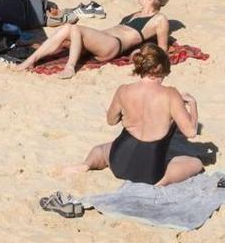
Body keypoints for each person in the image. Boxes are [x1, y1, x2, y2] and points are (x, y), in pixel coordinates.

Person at [80, 44, 202, 186]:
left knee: (100, 150)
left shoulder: (123, 90)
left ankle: (86, 164)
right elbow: (191, 131)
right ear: (160, 68)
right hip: (150, 172)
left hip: (118, 162)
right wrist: (193, 104)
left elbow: (111, 121)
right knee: (196, 163)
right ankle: (163, 181)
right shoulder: (171, 94)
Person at [20, 0, 171, 80]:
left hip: (113, 45)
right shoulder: (135, 14)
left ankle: (70, 67)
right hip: (102, 40)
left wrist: (141, 52)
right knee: (67, 31)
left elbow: (162, 49)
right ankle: (30, 61)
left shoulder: (159, 19)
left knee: (74, 28)